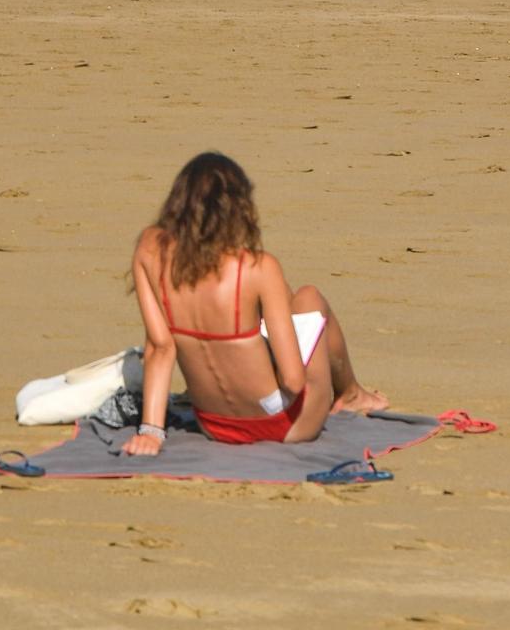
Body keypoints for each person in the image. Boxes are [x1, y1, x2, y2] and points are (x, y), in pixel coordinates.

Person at [121, 152, 386, 454]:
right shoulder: (258, 267)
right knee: (308, 297)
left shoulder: (149, 249)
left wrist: (152, 433)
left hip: (214, 427)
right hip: (284, 427)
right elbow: (293, 382)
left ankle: (342, 387)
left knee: (276, 299)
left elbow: (160, 348)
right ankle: (351, 393)